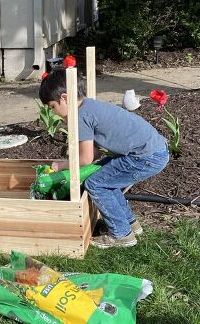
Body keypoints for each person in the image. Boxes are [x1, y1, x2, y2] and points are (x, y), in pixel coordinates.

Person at [39, 68, 169, 248]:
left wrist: (61, 165)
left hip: (145, 156)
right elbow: (96, 153)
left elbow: (85, 159)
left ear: (65, 98)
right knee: (106, 176)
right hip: (152, 150)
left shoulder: (80, 116)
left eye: (53, 107)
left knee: (96, 184)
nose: (53, 112)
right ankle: (130, 223)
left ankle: (122, 235)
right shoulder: (89, 106)